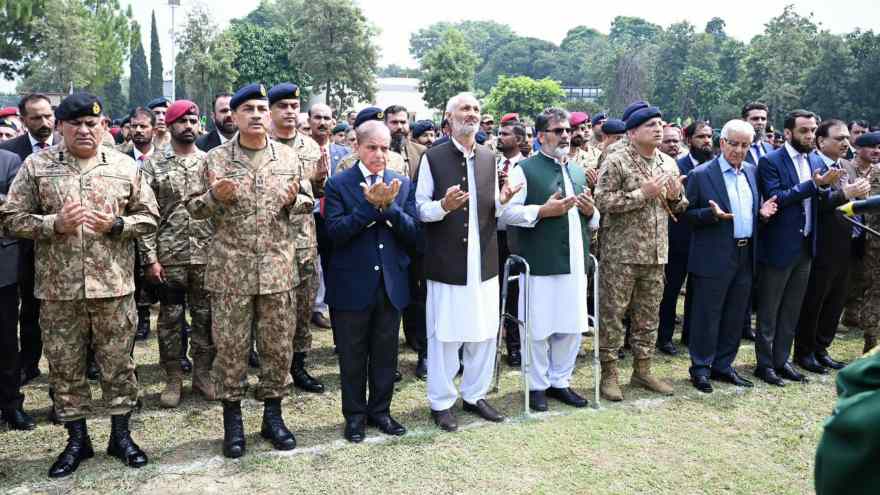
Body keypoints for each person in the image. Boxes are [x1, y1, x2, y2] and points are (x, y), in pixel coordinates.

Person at [1, 93, 159, 476]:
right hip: (59, 292)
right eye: (76, 123)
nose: (85, 130)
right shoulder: (37, 167)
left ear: (104, 126)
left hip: (114, 288)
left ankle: (121, 436)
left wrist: (117, 226)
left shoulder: (124, 167)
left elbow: (150, 216)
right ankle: (77, 440)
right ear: (61, 127)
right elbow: (10, 218)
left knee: (118, 365)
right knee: (65, 368)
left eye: (93, 123)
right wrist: (53, 224)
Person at [186, 83, 312, 459]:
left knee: (277, 348)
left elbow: (307, 199)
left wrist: (298, 201)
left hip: (277, 270)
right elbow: (193, 208)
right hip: (231, 273)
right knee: (231, 349)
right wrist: (213, 197)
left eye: (261, 108)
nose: (256, 115)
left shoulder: (289, 159)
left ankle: (273, 416)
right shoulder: (214, 160)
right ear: (234, 116)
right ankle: (233, 420)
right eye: (248, 110)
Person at [416, 92, 519, 431]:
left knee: (485, 332)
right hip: (447, 262)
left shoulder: (490, 157)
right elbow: (419, 209)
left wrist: (502, 202)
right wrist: (443, 206)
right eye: (465, 109)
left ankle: (475, 394)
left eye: (476, 109)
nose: (472, 114)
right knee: (445, 335)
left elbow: (492, 211)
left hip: (485, 261)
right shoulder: (433, 157)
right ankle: (442, 401)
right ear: (449, 117)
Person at [323, 120, 419, 442]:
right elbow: (334, 233)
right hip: (351, 285)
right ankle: (354, 416)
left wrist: (389, 208)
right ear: (357, 147)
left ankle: (381, 411)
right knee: (352, 356)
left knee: (385, 355)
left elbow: (415, 235)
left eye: (385, 148)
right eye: (372, 147)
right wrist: (369, 206)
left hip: (390, 285)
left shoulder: (402, 183)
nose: (379, 154)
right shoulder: (338, 184)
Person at [501, 108, 599, 411]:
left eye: (568, 130)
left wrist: (589, 211)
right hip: (540, 263)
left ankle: (561, 381)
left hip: (575, 262)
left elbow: (594, 220)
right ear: (541, 136)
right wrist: (542, 211)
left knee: (571, 325)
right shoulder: (525, 169)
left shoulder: (579, 171)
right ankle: (538, 385)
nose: (566, 136)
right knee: (538, 327)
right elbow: (507, 213)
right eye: (559, 131)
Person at [594, 103, 688, 401]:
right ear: (633, 132)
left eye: (660, 123)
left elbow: (679, 206)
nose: (658, 129)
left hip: (656, 253)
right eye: (650, 125)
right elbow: (603, 202)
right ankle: (609, 374)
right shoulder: (617, 160)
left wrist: (675, 198)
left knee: (649, 315)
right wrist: (641, 194)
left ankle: (643, 369)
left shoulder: (668, 163)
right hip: (620, 253)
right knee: (613, 314)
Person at [684, 119, 778, 393]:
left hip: (745, 252)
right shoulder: (702, 174)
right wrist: (710, 215)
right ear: (721, 142)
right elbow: (685, 216)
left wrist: (762, 215)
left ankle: (724, 366)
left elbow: (750, 211)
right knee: (707, 314)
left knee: (736, 314)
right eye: (733, 144)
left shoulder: (751, 171)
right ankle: (701, 368)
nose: (738, 150)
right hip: (713, 255)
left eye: (745, 145)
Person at [755, 109, 841, 386]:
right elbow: (776, 198)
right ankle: (765, 365)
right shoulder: (771, 161)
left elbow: (821, 200)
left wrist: (833, 191)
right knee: (769, 311)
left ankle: (783, 361)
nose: (810, 135)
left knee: (792, 309)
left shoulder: (815, 159)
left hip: (806, 245)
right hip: (780, 245)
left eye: (813, 130)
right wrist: (813, 185)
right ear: (788, 133)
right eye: (804, 130)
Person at [138, 100, 216, 408]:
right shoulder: (153, 165)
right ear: (169, 126)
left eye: (193, 120)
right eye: (181, 121)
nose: (188, 125)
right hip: (169, 256)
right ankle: (173, 377)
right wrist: (149, 258)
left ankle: (203, 373)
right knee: (170, 320)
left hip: (207, 255)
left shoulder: (211, 161)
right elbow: (145, 215)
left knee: (205, 317)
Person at [266, 83, 328, 393]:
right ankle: (272, 368)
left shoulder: (311, 148)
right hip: (267, 243)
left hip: (303, 241)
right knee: (272, 312)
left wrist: (319, 181)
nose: (290, 112)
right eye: (283, 106)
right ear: (271, 111)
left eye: (294, 106)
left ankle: (298, 365)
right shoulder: (261, 144)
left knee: (302, 309)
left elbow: (319, 196)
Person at [794, 120, 868, 373]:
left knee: (836, 301)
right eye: (839, 138)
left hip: (848, 242)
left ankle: (821, 348)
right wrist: (845, 193)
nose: (845, 143)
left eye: (847, 138)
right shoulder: (813, 167)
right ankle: (804, 352)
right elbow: (819, 205)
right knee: (815, 300)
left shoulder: (847, 165)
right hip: (822, 244)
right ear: (821, 141)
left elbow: (854, 201)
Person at [0, 93, 58, 389]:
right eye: (36, 118)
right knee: (30, 311)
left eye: (48, 116)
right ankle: (29, 363)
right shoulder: (10, 151)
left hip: (62, 246)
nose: (44, 122)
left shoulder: (68, 148)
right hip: (22, 248)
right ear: (23, 121)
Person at [657, 121, 714, 354]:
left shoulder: (715, 167)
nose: (707, 141)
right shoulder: (675, 167)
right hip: (678, 238)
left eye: (709, 136)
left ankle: (690, 336)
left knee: (699, 292)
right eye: (701, 137)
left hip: (706, 237)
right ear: (688, 140)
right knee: (670, 293)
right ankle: (665, 338)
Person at [0, 148, 33, 430]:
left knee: (7, 342)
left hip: (3, 267)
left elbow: (17, 208)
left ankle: (11, 405)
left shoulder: (8, 161)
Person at [495, 121, 529, 367]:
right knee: (492, 292)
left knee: (515, 294)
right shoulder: (491, 163)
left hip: (517, 237)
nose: (500, 137)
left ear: (518, 140)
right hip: (492, 236)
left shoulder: (528, 167)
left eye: (505, 134)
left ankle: (514, 348)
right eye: (499, 133)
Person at [847, 132, 880, 353]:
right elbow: (869, 206)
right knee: (876, 290)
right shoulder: (876, 173)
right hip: (875, 240)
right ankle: (872, 341)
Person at [336, 108, 407, 175]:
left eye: (381, 126)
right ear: (357, 131)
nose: (377, 131)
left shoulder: (397, 160)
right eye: (371, 128)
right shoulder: (347, 163)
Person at [385, 105, 425, 179]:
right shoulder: (377, 152)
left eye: (403, 122)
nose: (399, 126)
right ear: (385, 125)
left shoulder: (421, 151)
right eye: (394, 122)